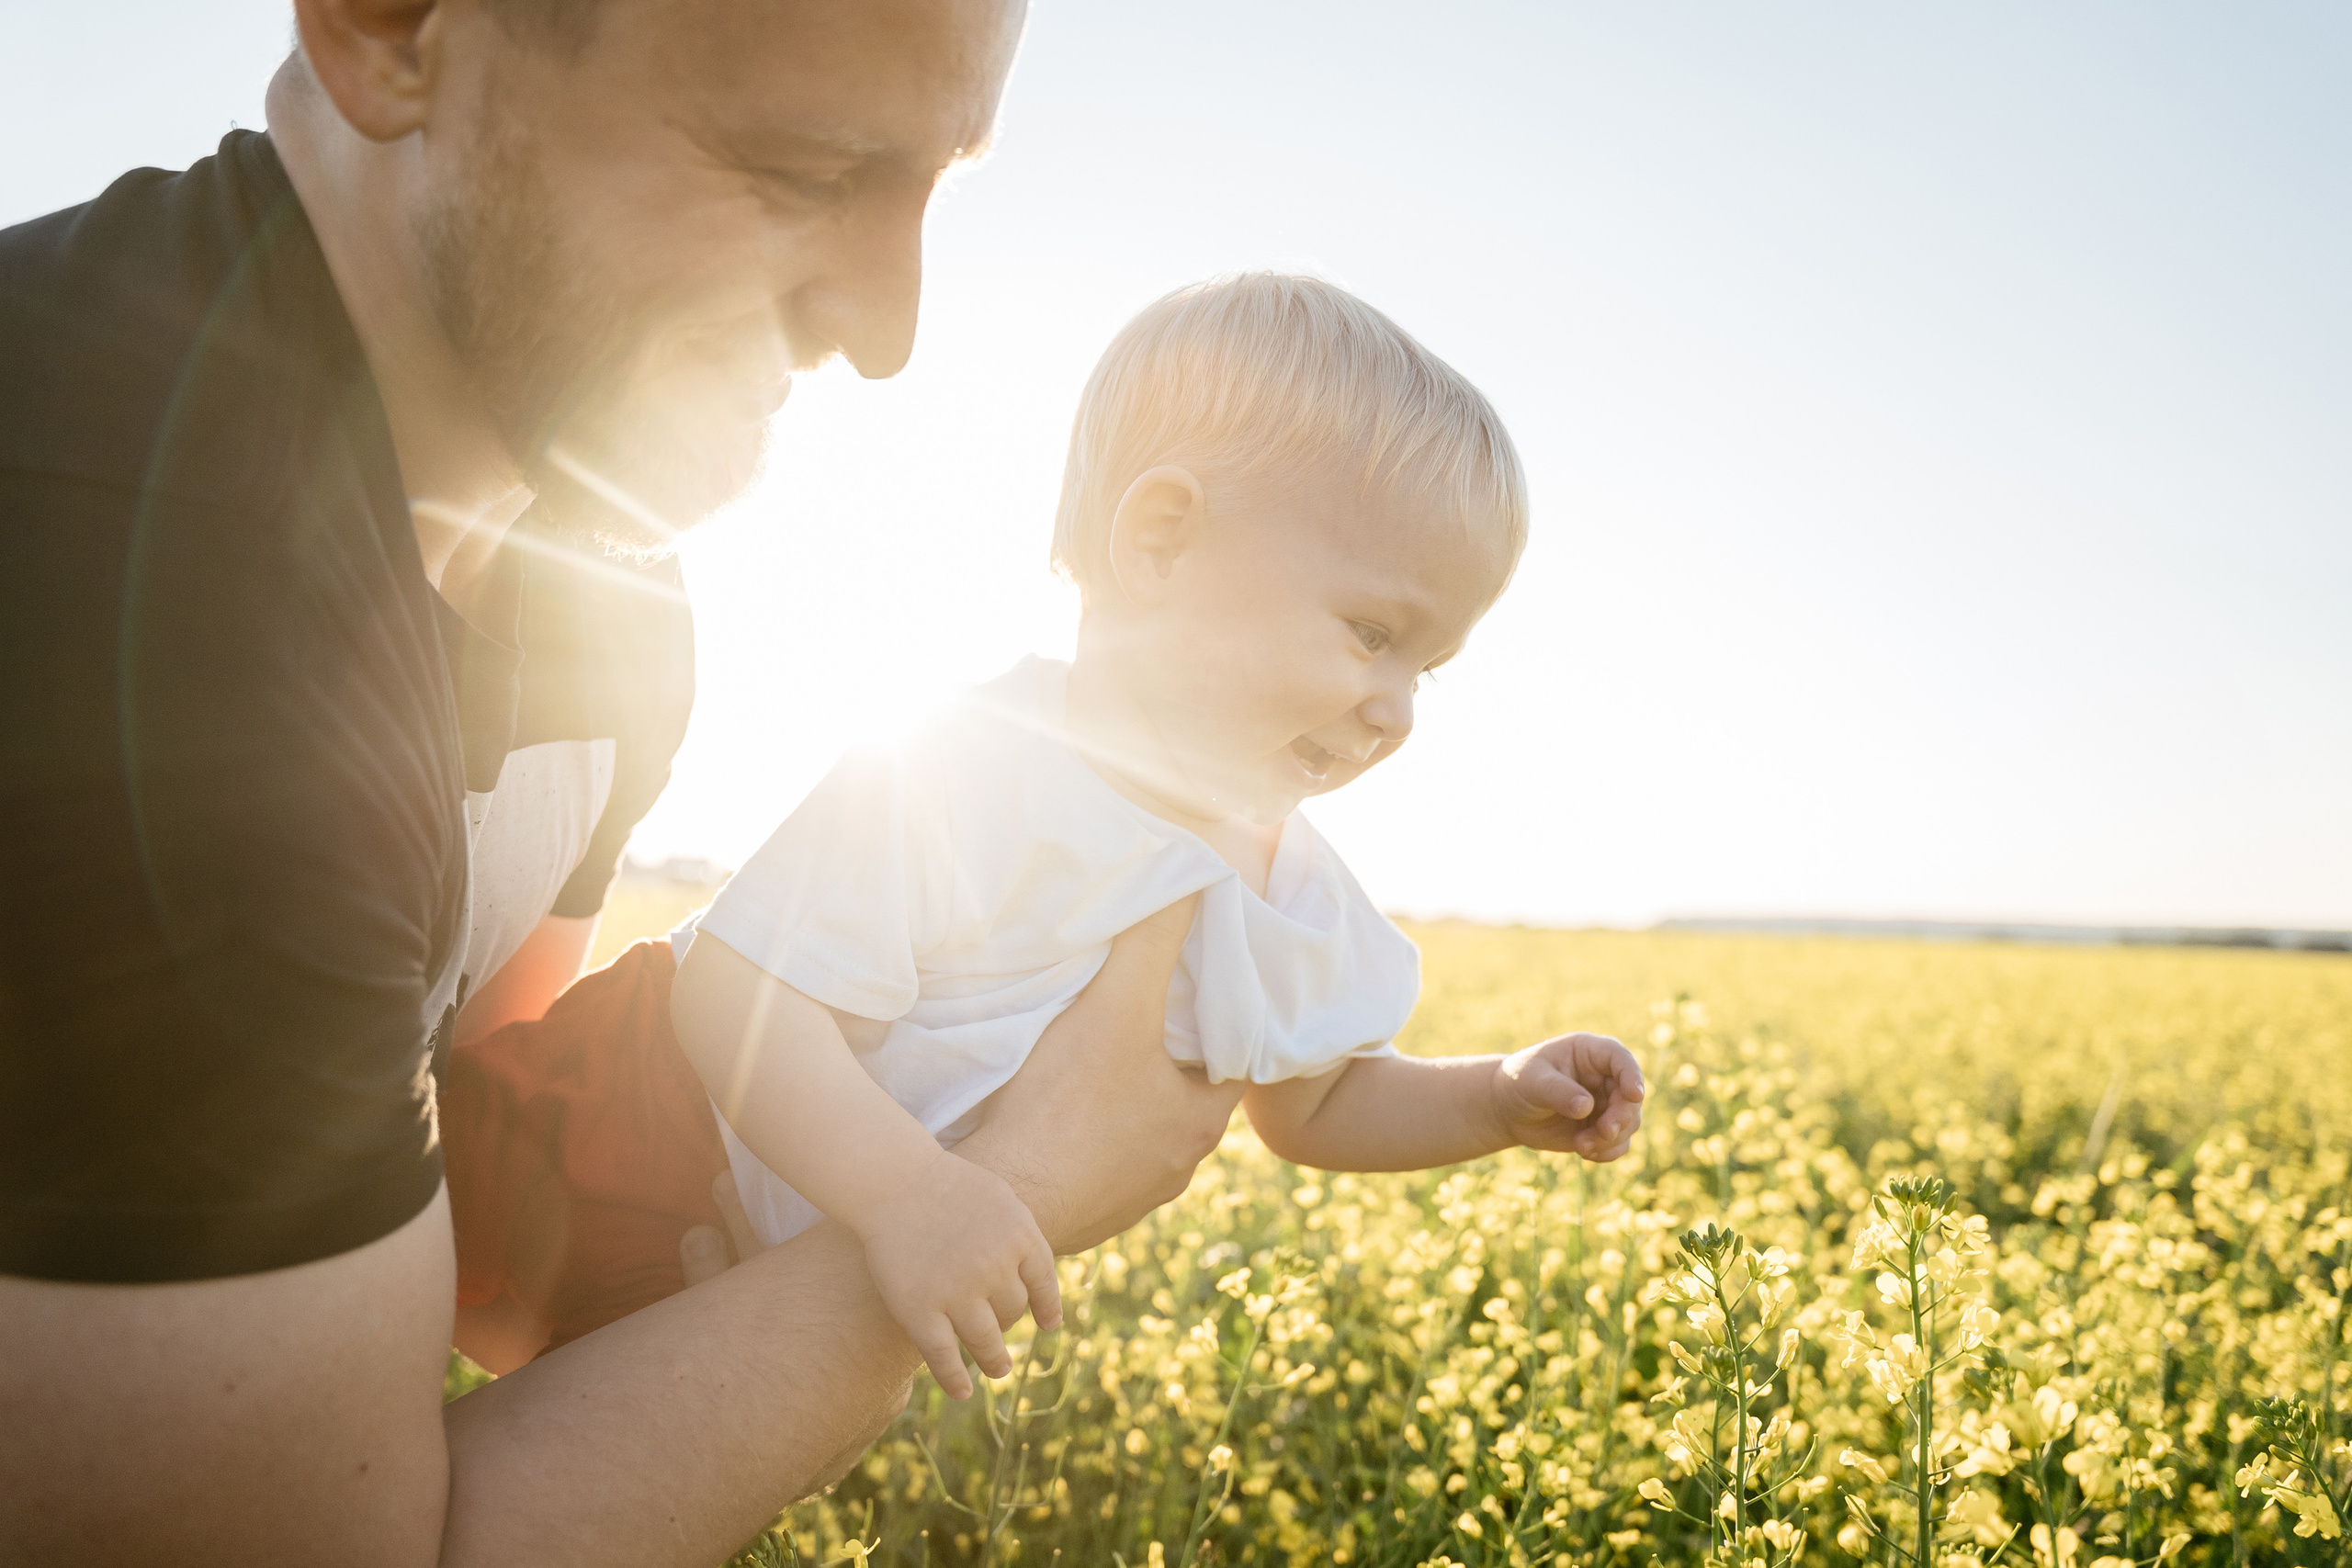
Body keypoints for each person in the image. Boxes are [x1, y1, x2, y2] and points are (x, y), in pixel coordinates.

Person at [0, 3, 1248, 1564]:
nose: (886, 328)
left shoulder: (615, 616)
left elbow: (474, 1186)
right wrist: (994, 1194)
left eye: (935, 184)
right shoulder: (145, 630)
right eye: (804, 168)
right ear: (392, 34)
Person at [443, 275, 1648, 1393]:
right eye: (1374, 635)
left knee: (588, 1474)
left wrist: (1495, 1099)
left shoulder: (1290, 892)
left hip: (739, 1249)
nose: (1392, 709)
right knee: (347, 1329)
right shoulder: (971, 762)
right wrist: (915, 1198)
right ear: (1161, 539)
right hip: (622, 1109)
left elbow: (1315, 1108)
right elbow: (734, 1003)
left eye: (1429, 671)